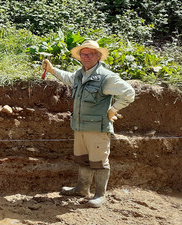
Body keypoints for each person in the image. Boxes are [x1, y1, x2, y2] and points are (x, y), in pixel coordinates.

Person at [42, 40, 135, 208]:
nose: (85, 57)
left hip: (98, 128)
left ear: (98, 56)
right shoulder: (79, 74)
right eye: (83, 54)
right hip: (79, 126)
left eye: (90, 54)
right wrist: (52, 70)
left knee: (99, 162)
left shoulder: (107, 77)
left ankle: (99, 195)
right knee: (82, 159)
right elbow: (68, 78)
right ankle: (82, 189)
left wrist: (113, 110)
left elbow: (129, 93)